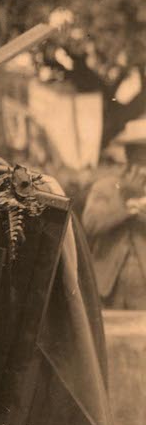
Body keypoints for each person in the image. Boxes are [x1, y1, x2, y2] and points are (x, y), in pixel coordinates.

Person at [84, 122, 146, 310]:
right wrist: (126, 205)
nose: (142, 163)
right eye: (138, 154)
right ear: (128, 155)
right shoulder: (106, 186)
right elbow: (90, 224)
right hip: (107, 286)